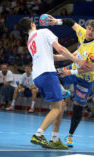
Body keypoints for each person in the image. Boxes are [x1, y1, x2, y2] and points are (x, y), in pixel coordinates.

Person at [18, 17, 86, 149]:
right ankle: (39, 134)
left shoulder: (29, 41)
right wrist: (76, 61)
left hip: (37, 76)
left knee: (61, 104)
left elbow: (54, 56)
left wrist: (73, 55)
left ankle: (54, 138)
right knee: (57, 107)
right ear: (32, 24)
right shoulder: (44, 32)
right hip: (47, 73)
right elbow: (60, 49)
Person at [49, 16, 94, 148]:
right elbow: (71, 22)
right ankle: (62, 93)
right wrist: (57, 21)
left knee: (78, 106)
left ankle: (70, 136)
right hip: (74, 67)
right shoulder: (83, 32)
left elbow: (90, 67)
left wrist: (71, 72)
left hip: (86, 77)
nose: (90, 32)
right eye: (89, 28)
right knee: (54, 75)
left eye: (93, 31)